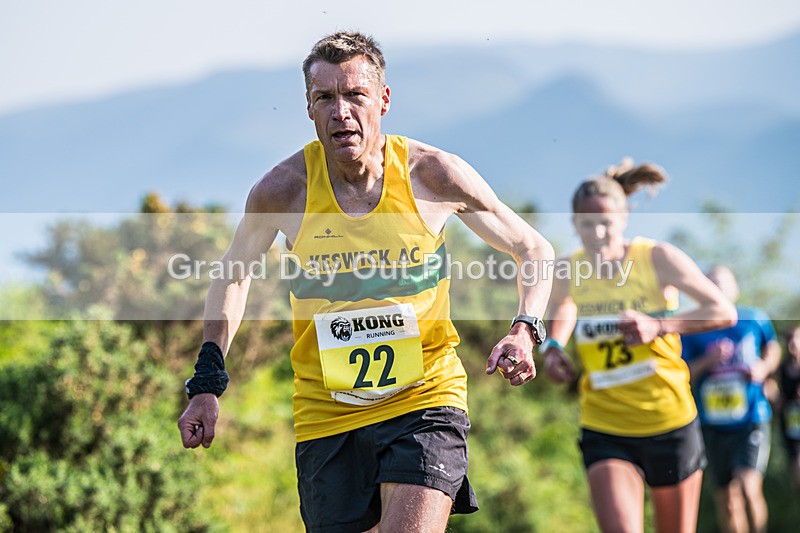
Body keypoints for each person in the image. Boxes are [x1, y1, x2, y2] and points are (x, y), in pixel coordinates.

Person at [176, 31, 555, 532]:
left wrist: (524, 329)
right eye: (325, 98)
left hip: (425, 397)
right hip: (327, 415)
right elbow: (233, 274)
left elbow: (533, 248)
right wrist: (207, 380)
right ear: (308, 109)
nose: (341, 112)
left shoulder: (433, 174)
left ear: (384, 99)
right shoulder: (282, 192)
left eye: (355, 95)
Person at [543, 159, 737, 533]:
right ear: (574, 224)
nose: (596, 233)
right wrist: (553, 347)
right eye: (586, 224)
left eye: (605, 223)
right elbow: (565, 306)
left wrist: (660, 325)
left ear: (624, 219)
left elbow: (723, 311)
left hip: (669, 420)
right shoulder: (570, 268)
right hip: (605, 424)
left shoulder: (656, 258)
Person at [681, 266, 781, 533]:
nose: (719, 290)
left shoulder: (754, 319)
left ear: (735, 288)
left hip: (751, 418)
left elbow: (773, 349)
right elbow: (682, 373)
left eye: (724, 284)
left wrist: (763, 366)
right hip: (712, 424)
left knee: (748, 486)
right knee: (727, 501)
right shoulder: (692, 329)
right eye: (712, 284)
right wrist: (708, 361)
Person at [777, 325, 800, 499]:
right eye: (789, 339)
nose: (793, 343)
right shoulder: (782, 368)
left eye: (796, 338)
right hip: (791, 430)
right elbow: (773, 391)